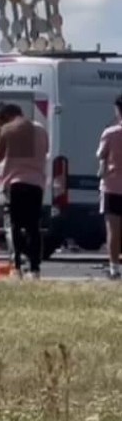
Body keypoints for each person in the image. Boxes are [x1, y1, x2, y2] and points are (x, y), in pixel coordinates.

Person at [0, 104, 49, 280]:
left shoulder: (7, 129)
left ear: (7, 116)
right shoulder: (40, 130)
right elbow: (45, 150)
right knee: (33, 227)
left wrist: (0, 134)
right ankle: (35, 269)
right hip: (36, 183)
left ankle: (17, 267)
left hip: (15, 183)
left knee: (16, 226)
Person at [97, 93, 122, 280]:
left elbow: (100, 155)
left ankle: (114, 268)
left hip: (112, 186)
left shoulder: (110, 133)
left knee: (113, 228)